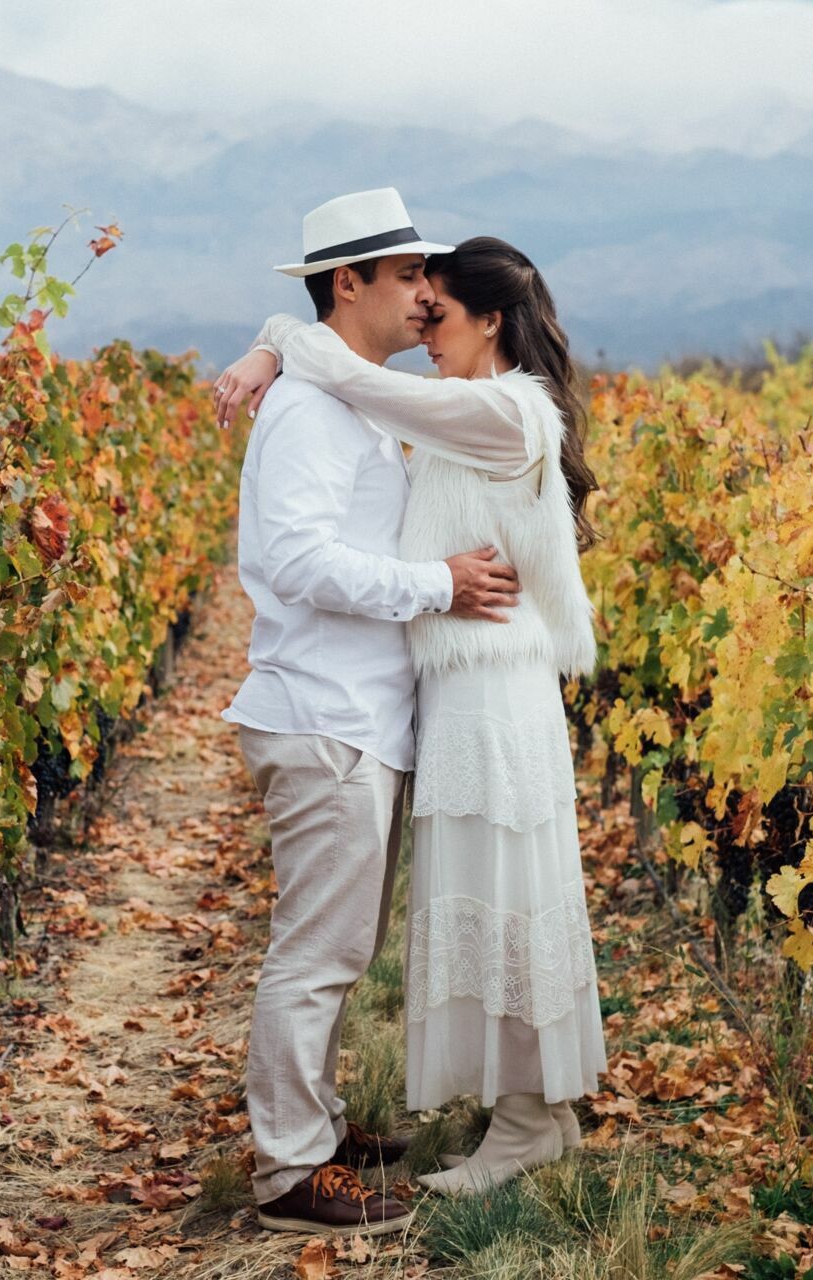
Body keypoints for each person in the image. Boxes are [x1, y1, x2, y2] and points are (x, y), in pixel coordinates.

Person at [215, 232, 606, 1197]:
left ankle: (524, 1119)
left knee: (504, 895)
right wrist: (282, 340)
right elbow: (319, 512)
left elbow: (364, 381)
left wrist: (276, 341)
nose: (423, 321)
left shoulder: (501, 412)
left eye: (437, 311)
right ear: (349, 285)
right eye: (409, 296)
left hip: (488, 689)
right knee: (448, 908)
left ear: (492, 322)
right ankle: (500, 1120)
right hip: (425, 695)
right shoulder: (387, 407)